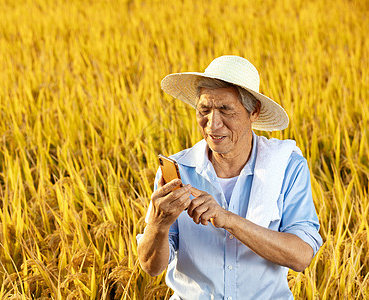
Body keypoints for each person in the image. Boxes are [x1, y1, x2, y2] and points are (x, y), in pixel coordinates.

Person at [136, 55, 323, 299]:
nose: (212, 124)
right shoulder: (178, 171)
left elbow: (301, 256)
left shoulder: (286, 166)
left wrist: (228, 219)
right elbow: (151, 267)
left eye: (225, 110)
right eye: (204, 110)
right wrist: (158, 225)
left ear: (253, 111)